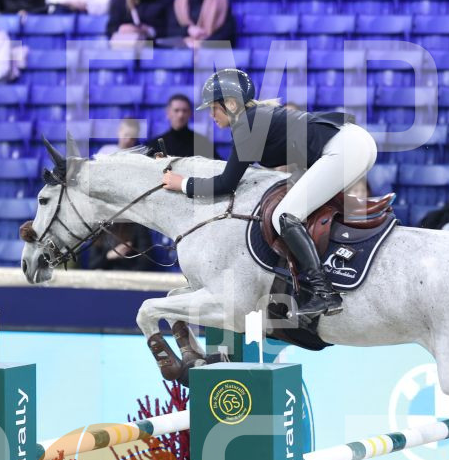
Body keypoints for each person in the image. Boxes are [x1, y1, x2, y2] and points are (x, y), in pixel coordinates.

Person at [160, 68, 378, 318]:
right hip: (354, 142)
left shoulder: (247, 124)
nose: (211, 115)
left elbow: (226, 183)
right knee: (300, 209)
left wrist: (183, 183)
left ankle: (324, 293)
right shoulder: (254, 118)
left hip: (345, 148)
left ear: (231, 104)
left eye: (214, 108)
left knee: (284, 215)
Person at [147, 93, 218, 158]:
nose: (181, 115)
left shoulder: (202, 143)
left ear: (190, 113)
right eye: (176, 110)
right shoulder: (155, 145)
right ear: (168, 113)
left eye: (184, 110)